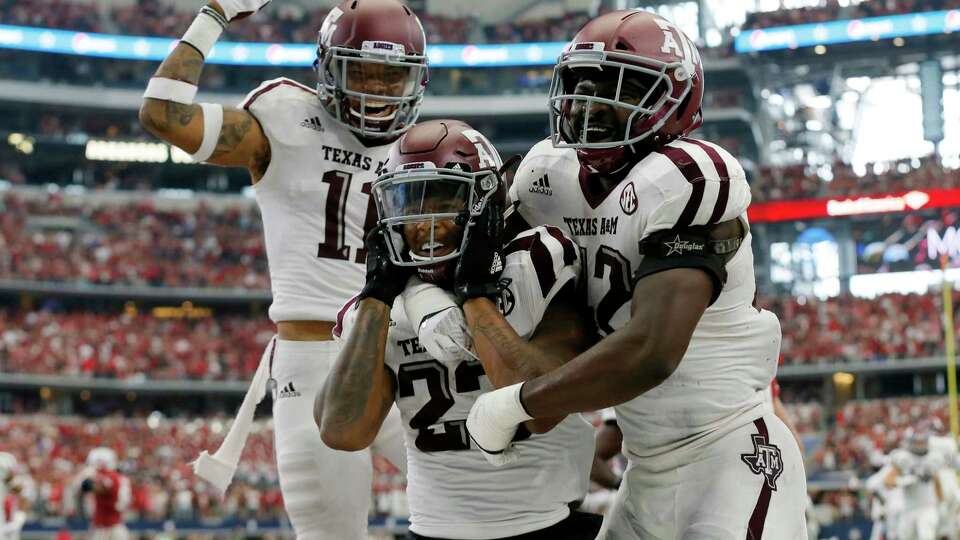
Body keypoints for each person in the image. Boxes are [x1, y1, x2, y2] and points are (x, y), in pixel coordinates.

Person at [465, 10, 808, 539]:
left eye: (621, 88)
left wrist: (512, 405)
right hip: (644, 469)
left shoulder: (691, 175)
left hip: (730, 454)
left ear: (677, 99)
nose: (592, 105)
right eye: (583, 86)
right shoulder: (544, 176)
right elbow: (471, 260)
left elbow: (652, 351)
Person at [138, 0, 427, 537]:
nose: (376, 90)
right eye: (360, 71)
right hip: (316, 359)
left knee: (486, 508)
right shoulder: (288, 118)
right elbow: (162, 114)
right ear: (327, 68)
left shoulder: (422, 150)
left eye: (391, 77)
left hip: (408, 353)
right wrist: (214, 15)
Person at [317, 119, 601, 539]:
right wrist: (377, 295)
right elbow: (343, 431)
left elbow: (539, 407)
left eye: (443, 198)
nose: (425, 222)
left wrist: (475, 295)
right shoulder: (377, 311)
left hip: (545, 525)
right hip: (430, 530)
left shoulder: (539, 260)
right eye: (410, 203)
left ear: (484, 200)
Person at [79, 448, 130, 540]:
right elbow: (85, 487)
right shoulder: (101, 475)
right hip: (100, 524)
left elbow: (99, 488)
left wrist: (91, 481)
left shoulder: (112, 476)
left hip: (111, 526)